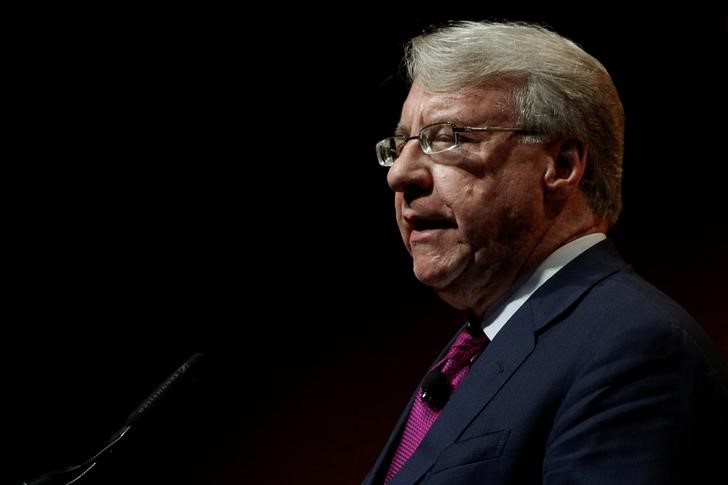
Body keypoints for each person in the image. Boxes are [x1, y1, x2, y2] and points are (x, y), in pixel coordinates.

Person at [364, 21, 728, 485]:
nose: (401, 175)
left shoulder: (634, 349)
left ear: (561, 165)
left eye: (448, 138)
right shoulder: (481, 346)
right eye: (401, 145)